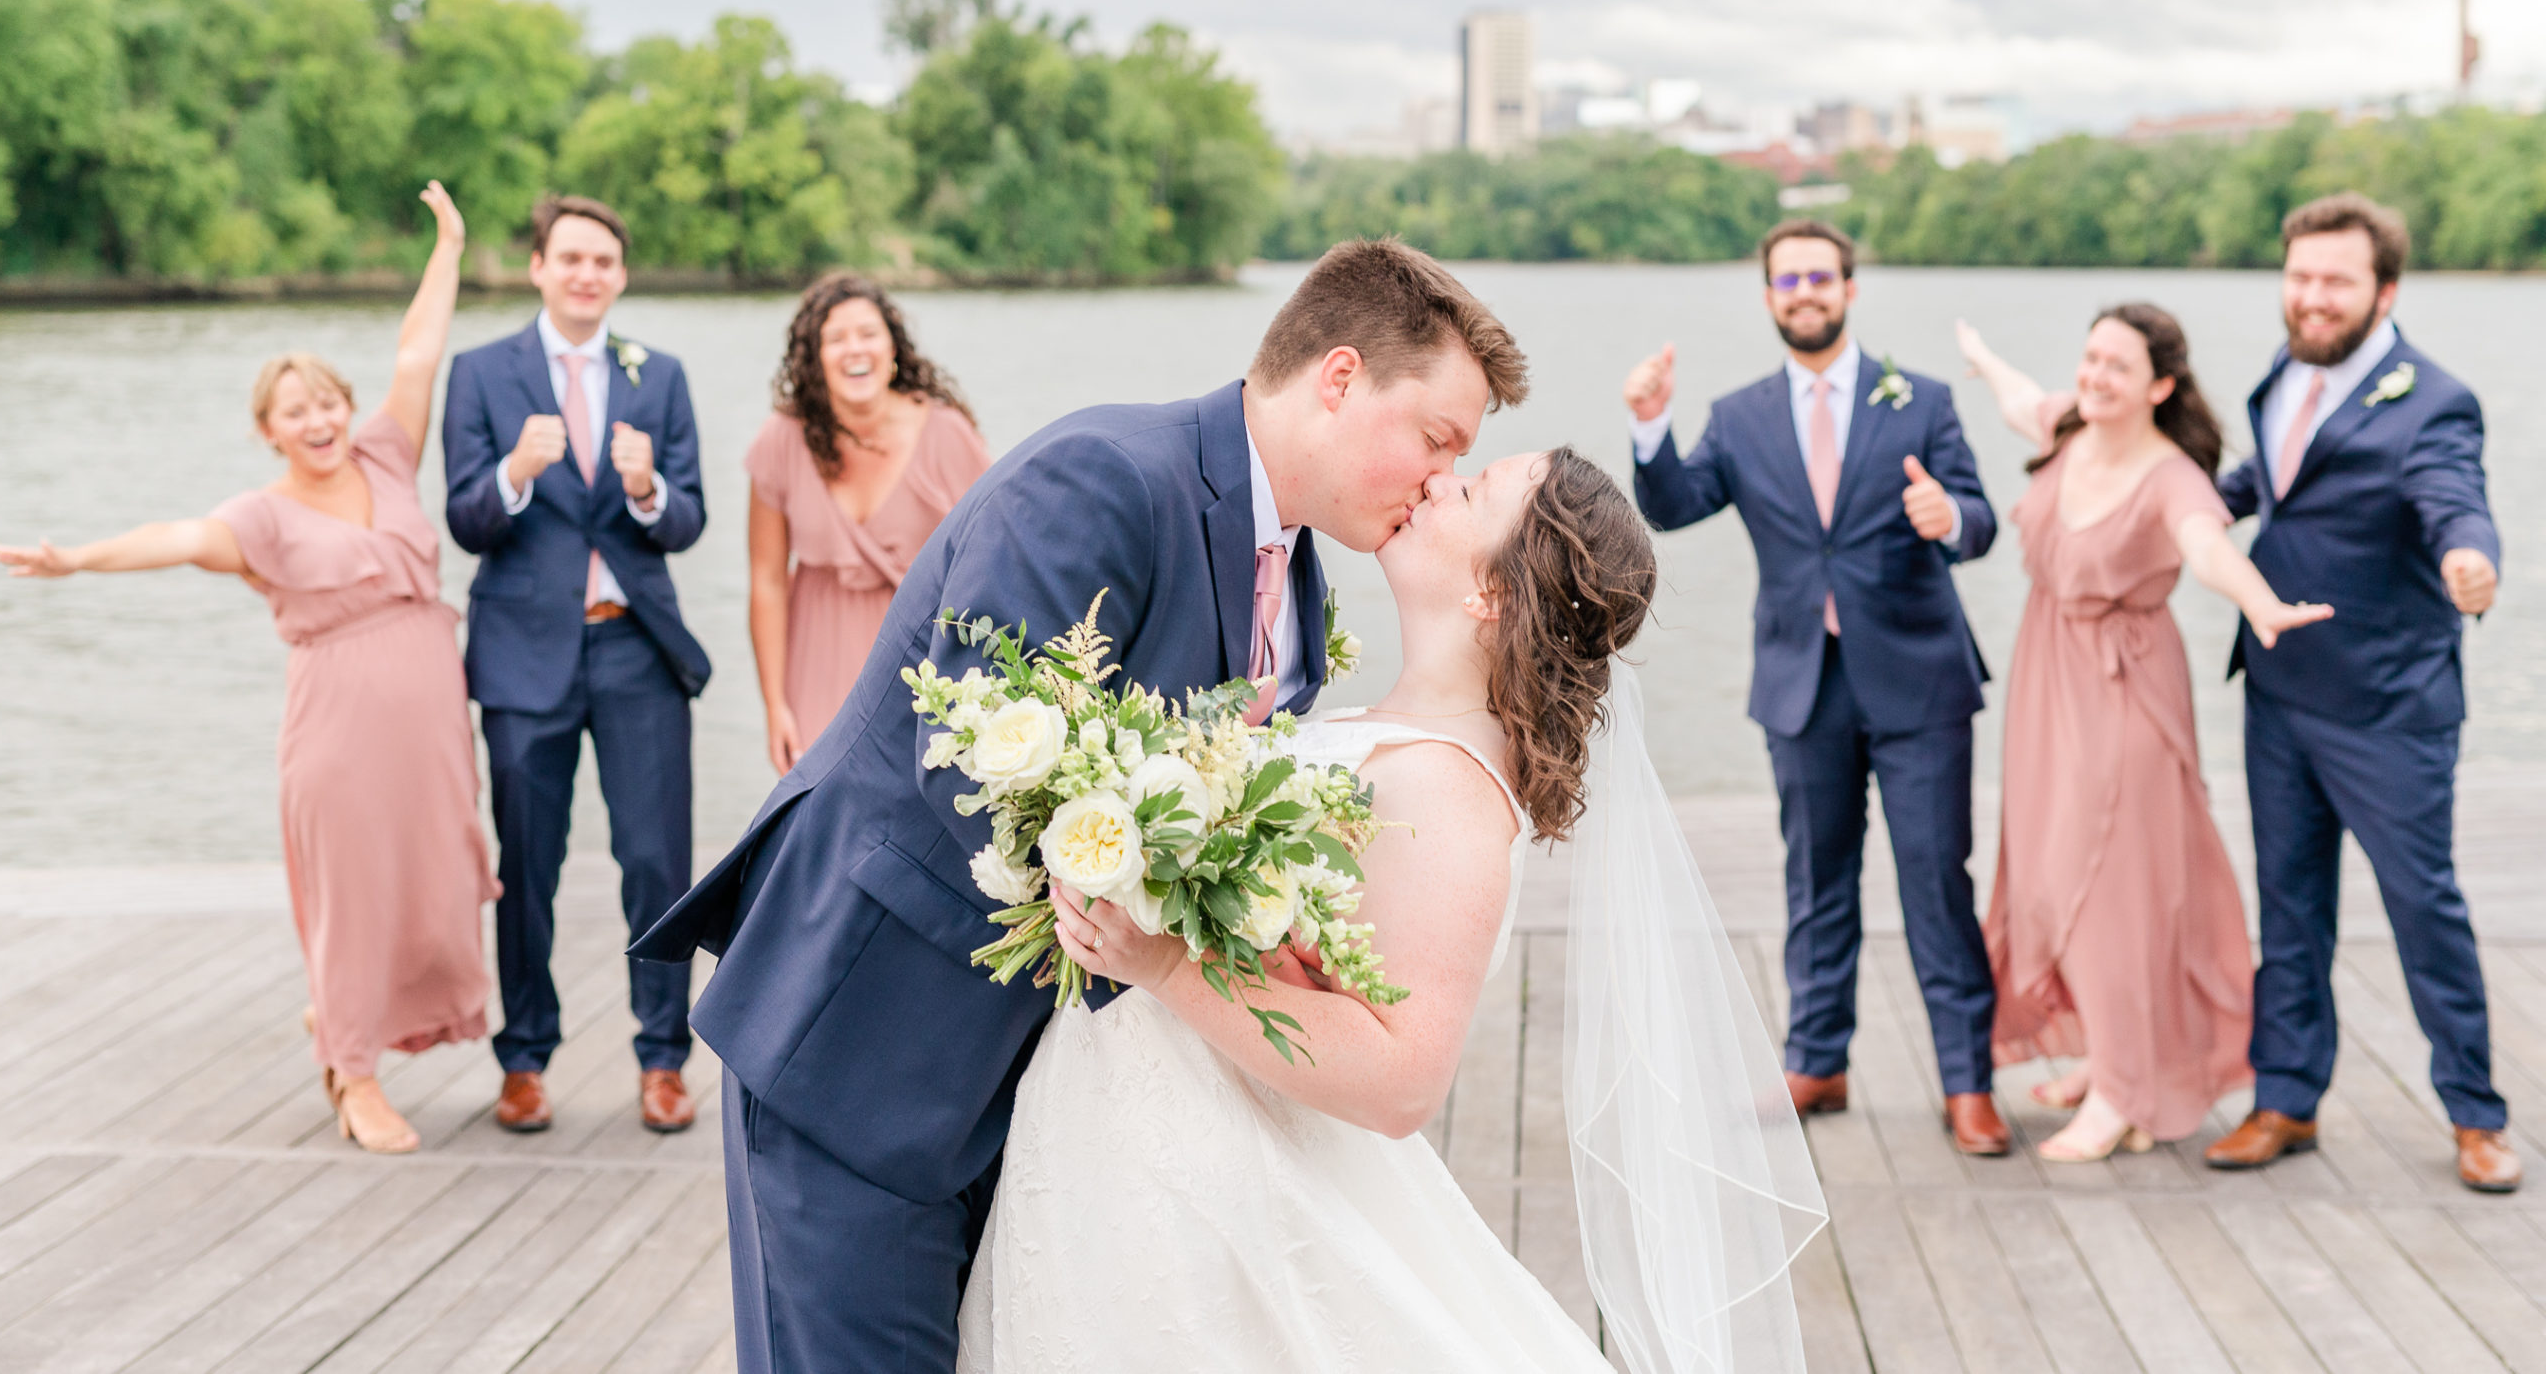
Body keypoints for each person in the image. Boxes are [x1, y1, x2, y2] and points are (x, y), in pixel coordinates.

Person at [634, 239, 1529, 1374]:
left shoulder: (1295, 577)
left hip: (1034, 1102)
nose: (1437, 476)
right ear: (1340, 377)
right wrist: (1156, 936)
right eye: (1437, 436)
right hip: (863, 1051)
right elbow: (968, 751)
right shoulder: (1106, 472)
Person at [967, 449, 1826, 1373]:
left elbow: (1402, 1079)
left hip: (1202, 1175)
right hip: (1143, 1134)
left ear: (1491, 593)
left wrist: (1166, 965)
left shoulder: (1448, 793)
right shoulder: (1394, 730)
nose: (1438, 479)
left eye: (1476, 487)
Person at [0, 184, 496, 1155]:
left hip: (432, 724)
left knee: (431, 889)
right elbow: (177, 536)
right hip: (339, 733)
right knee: (354, 895)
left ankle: (345, 1011)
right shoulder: (262, 516)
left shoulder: (388, 456)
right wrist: (77, 557)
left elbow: (417, 351)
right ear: (268, 430)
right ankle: (353, 1071)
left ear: (348, 409)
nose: (317, 419)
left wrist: (449, 244)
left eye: (327, 402)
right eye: (293, 410)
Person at [1622, 217, 2011, 1155]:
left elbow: (1984, 520)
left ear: (1849, 288)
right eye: (1786, 279)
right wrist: (1649, 425)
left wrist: (1947, 512)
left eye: (1820, 276)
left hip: (1920, 682)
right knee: (1815, 878)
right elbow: (1673, 508)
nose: (1804, 291)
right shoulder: (1742, 415)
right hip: (1804, 684)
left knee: (1935, 882)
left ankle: (1968, 1083)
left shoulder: (1918, 401)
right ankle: (1818, 1059)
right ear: (1768, 298)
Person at [2197, 193, 2520, 1194]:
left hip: (2387, 703)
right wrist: (2195, 501)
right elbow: (2280, 477)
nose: (2311, 296)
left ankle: (2475, 1113)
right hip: (2280, 691)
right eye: (2298, 276)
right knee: (2289, 907)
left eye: (2334, 279)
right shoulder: (2285, 370)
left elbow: (2450, 494)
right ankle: (2286, 1096)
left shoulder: (2432, 398)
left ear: (2383, 289)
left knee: (2422, 905)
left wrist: (2471, 556)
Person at [1955, 305, 2330, 1159]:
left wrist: (2260, 601)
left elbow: (2207, 548)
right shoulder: (2066, 426)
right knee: (2052, 870)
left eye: (2117, 366)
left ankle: (2125, 1092)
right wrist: (1983, 355)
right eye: (2090, 358)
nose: (2095, 376)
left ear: (2160, 385)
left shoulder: (2173, 479)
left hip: (2124, 687)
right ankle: (2105, 1052)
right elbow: (2021, 399)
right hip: (2048, 679)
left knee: (2112, 888)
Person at [441, 194, 709, 1138]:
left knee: (655, 861)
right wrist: (514, 469)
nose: (587, 273)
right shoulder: (480, 374)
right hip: (524, 654)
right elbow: (465, 519)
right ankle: (524, 1060)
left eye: (604, 260)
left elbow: (689, 520)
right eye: (571, 258)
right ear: (539, 268)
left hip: (636, 645)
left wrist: (647, 488)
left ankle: (664, 1059)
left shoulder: (659, 375)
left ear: (622, 275)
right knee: (528, 863)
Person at [747, 274, 989, 773]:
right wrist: (776, 706)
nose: (854, 350)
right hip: (816, 656)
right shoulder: (781, 440)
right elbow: (767, 581)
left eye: (868, 334)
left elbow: (992, 562)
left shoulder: (947, 434)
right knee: (822, 816)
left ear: (893, 348)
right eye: (835, 338)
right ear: (814, 358)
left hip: (926, 654)